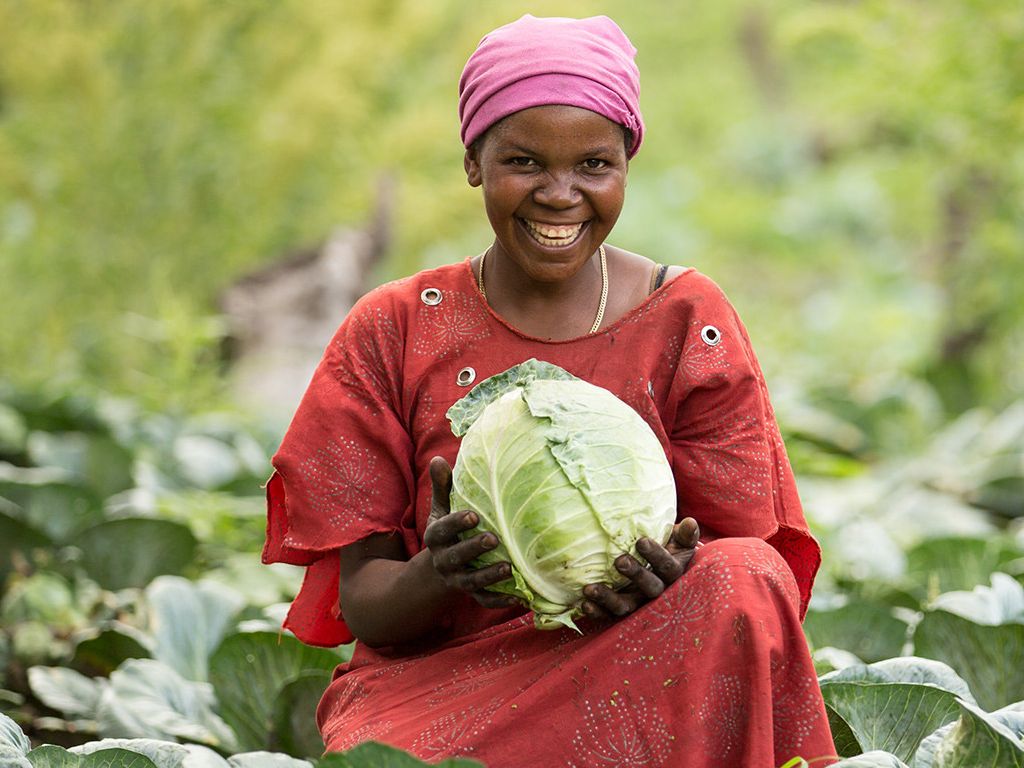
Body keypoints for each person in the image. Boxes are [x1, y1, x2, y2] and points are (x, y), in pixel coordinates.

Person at [262, 14, 838, 767]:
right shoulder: (394, 329)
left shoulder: (688, 321)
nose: (559, 195)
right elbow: (366, 603)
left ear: (628, 162)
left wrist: (667, 579)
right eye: (525, 162)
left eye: (594, 165)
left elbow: (747, 574)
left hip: (637, 663)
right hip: (447, 687)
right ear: (474, 161)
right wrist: (437, 575)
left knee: (745, 576)